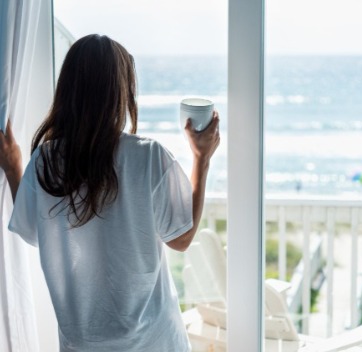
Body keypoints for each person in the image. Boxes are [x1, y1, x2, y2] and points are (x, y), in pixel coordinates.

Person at [0, 34, 220, 351]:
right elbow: (181, 238)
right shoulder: (147, 156)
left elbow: (36, 230)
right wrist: (202, 159)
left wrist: (12, 168)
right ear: (121, 92)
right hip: (153, 341)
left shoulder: (46, 161)